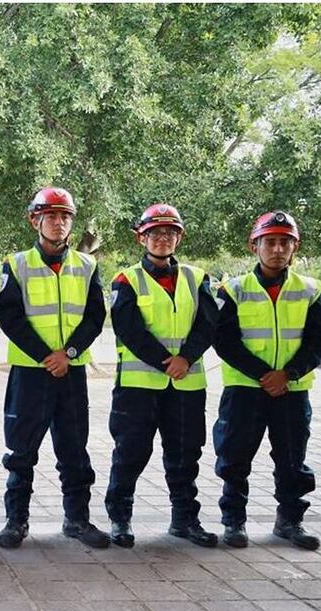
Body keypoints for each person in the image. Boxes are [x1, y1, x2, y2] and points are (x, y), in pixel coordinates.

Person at [212, 211, 321, 550]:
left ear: (295, 248)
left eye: (285, 242)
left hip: (292, 391)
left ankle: (290, 521)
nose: (277, 249)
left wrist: (289, 374)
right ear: (255, 246)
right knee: (235, 457)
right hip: (245, 390)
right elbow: (224, 340)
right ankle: (234, 522)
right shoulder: (233, 290)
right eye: (270, 242)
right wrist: (264, 375)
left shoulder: (311, 291)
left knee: (292, 459)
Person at [0, 187, 109, 549]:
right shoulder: (16, 264)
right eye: (51, 216)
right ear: (35, 220)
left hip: (71, 372)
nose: (59, 222)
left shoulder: (88, 266)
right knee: (21, 451)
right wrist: (47, 355)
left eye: (65, 216)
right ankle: (16, 521)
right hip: (31, 372)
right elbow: (8, 316)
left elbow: (95, 316)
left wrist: (69, 352)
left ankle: (77, 520)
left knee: (75, 450)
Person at [104, 204, 219, 548]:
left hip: (186, 385)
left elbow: (209, 323)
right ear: (142, 237)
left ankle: (185, 520)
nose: (163, 238)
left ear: (179, 238)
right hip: (138, 387)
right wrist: (166, 361)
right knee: (130, 454)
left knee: (185, 455)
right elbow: (129, 329)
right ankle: (120, 519)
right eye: (155, 232)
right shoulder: (126, 279)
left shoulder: (198, 278)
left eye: (170, 232)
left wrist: (186, 358)